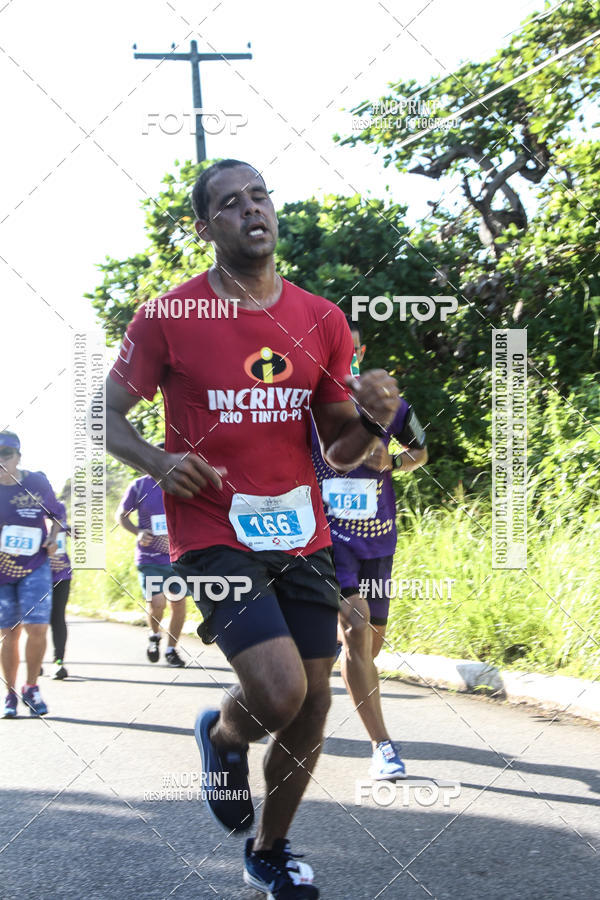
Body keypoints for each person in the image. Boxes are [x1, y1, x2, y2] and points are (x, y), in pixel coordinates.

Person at [105, 158, 400, 899]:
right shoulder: (166, 317)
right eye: (230, 204)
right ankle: (227, 732)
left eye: (260, 196)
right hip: (211, 527)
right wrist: (158, 460)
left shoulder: (321, 319)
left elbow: (338, 448)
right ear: (206, 229)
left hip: (301, 529)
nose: (252, 210)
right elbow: (103, 415)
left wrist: (373, 419)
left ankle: (271, 848)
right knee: (276, 694)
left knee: (314, 700)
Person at [312, 322, 428, 780]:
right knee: (356, 630)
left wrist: (392, 460)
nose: (349, 357)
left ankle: (339, 674)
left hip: (378, 538)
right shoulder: (311, 403)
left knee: (368, 646)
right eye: (340, 350)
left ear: (363, 351)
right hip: (331, 539)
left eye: (354, 349)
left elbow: (421, 451)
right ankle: (383, 746)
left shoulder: (392, 405)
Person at [0, 431, 62, 717]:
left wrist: (53, 538)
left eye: (6, 455)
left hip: (35, 565)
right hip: (1, 570)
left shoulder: (36, 481)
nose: (1, 461)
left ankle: (31, 687)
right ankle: (10, 694)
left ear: (18, 457)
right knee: (8, 633)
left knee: (37, 627)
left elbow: (58, 514)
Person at [116, 460, 187, 667]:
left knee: (178, 603)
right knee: (157, 603)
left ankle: (172, 650)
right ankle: (154, 635)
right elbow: (121, 515)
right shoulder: (139, 486)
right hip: (150, 559)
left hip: (177, 557)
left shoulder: (181, 484)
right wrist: (138, 532)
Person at [48, 501, 72, 679]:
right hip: (35, 576)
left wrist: (71, 530)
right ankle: (36, 660)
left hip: (61, 573)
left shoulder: (59, 507)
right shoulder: (25, 511)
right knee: (36, 622)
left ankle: (59, 662)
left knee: (58, 617)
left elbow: (60, 526)